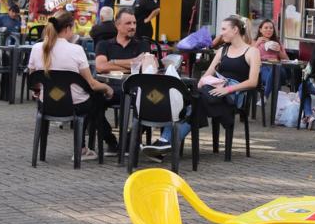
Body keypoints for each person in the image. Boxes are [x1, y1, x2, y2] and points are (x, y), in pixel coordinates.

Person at [143, 15, 260, 156]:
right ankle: (165, 143)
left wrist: (227, 89)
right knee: (190, 101)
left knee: (194, 102)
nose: (221, 33)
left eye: (224, 29)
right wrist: (198, 86)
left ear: (235, 30)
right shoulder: (223, 50)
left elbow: (253, 82)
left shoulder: (252, 52)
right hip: (212, 91)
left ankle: (165, 142)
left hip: (234, 94)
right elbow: (207, 74)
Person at [27, 11, 114, 161]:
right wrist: (107, 88)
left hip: (46, 104)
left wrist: (37, 91)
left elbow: (33, 79)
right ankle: (90, 146)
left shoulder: (36, 48)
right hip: (75, 106)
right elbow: (91, 83)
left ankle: (90, 146)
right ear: (67, 28)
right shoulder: (76, 50)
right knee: (97, 100)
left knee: (91, 99)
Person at [95, 9, 150, 154]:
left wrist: (112, 62)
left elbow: (145, 65)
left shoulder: (142, 44)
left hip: (135, 89)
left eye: (134, 23)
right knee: (91, 103)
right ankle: (110, 141)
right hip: (110, 89)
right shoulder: (104, 45)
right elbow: (100, 67)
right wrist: (132, 63)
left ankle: (129, 139)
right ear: (117, 25)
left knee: (152, 103)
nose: (133, 26)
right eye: (128, 23)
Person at [255, 19, 289, 99]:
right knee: (275, 79)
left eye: (271, 28)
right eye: (266, 28)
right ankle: (277, 105)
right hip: (263, 68)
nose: (269, 30)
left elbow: (287, 59)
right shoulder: (255, 42)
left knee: (276, 68)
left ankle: (265, 96)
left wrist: (279, 51)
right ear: (260, 30)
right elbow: (248, 55)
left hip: (278, 68)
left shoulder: (277, 42)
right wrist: (257, 43)